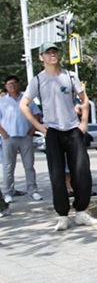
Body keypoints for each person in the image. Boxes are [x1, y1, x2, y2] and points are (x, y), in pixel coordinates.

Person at [20, 43, 97, 230]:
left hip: (73, 129)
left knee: (81, 172)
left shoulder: (70, 76)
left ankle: (81, 211)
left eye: (54, 52)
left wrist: (84, 122)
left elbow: (84, 100)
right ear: (41, 57)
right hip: (53, 132)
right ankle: (62, 215)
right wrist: (39, 126)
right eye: (48, 53)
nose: (52, 55)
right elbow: (23, 105)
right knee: (57, 175)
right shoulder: (37, 80)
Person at [1, 75, 43, 203]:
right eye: (9, 84)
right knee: (8, 167)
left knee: (29, 165)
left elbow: (37, 115)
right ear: (6, 86)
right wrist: (3, 134)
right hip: (9, 138)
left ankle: (32, 191)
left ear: (19, 84)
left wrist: (32, 132)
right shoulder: (2, 101)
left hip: (25, 137)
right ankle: (8, 192)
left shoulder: (27, 98)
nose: (12, 86)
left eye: (14, 83)